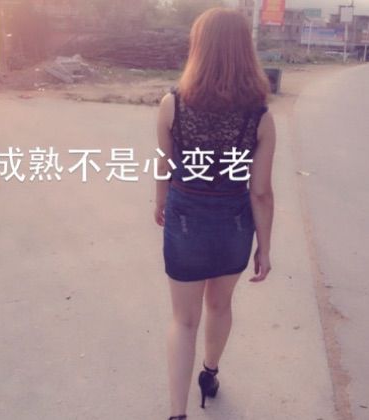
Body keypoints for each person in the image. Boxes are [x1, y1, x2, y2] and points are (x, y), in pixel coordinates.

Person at [154, 7, 276, 420]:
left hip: (185, 220)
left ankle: (177, 413)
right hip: (234, 225)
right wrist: (265, 247)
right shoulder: (260, 118)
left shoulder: (171, 104)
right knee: (220, 306)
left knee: (183, 320)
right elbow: (261, 192)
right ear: (246, 51)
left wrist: (159, 203)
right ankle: (210, 373)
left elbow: (164, 166)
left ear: (198, 48)